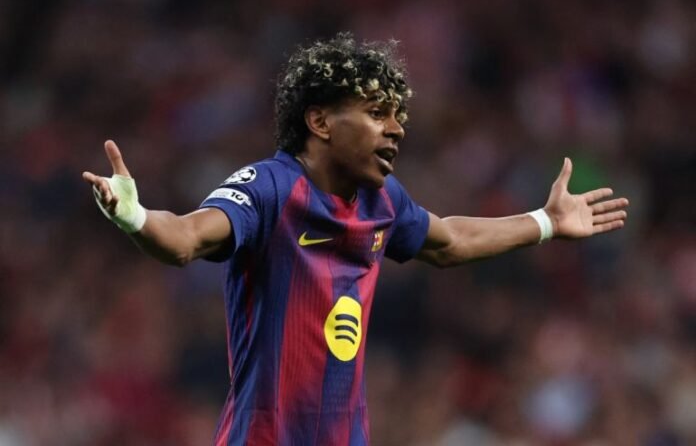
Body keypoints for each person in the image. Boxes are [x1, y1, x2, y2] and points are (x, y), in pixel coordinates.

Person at [82, 33, 628, 446]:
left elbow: (449, 240)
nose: (396, 129)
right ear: (320, 121)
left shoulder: (382, 200)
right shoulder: (271, 187)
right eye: (376, 113)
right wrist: (135, 216)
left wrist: (545, 222)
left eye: (398, 117)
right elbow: (184, 238)